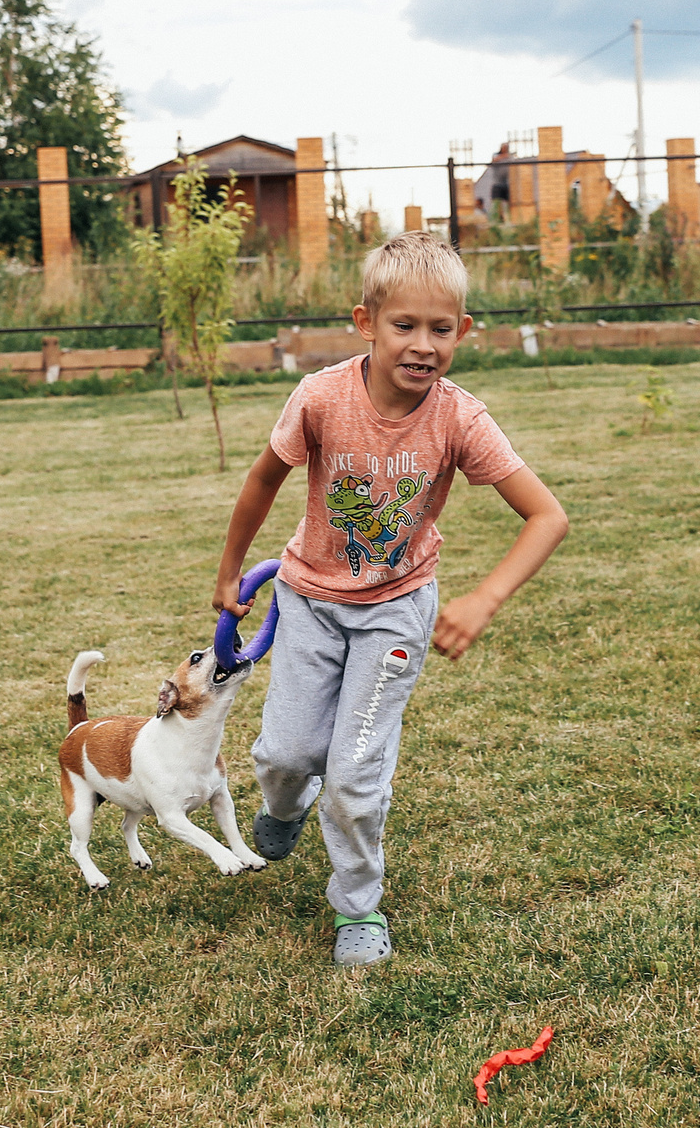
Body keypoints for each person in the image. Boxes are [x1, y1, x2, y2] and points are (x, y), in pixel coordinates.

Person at [214, 229, 568, 968]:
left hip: (398, 607)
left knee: (353, 768)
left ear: (463, 331)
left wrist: (485, 598)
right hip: (310, 597)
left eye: (442, 328)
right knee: (287, 754)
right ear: (365, 321)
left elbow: (548, 515)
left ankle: (358, 907)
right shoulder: (320, 397)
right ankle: (284, 805)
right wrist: (230, 569)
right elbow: (261, 480)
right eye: (404, 324)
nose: (423, 344)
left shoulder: (460, 418)